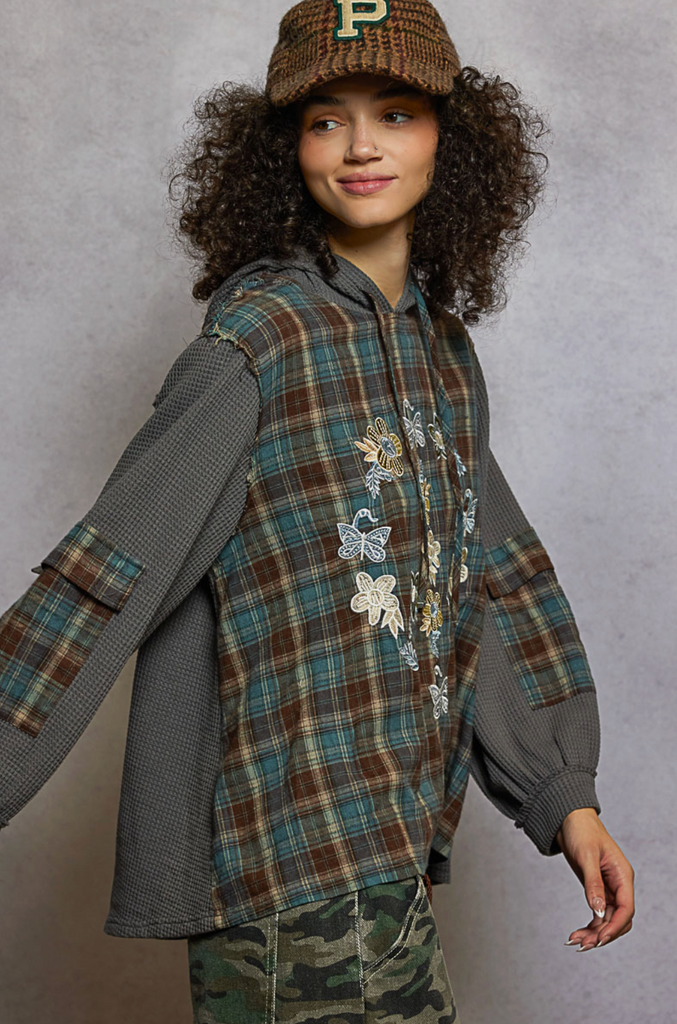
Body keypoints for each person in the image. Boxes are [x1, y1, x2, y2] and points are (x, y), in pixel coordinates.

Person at [0, 1, 635, 1021]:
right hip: (284, 869)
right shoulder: (257, 344)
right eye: (324, 118)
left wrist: (565, 798)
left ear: (452, 139)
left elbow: (493, 577)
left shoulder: (440, 354)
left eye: (395, 112)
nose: (359, 146)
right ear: (282, 149)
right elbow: (105, 574)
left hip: (391, 850)